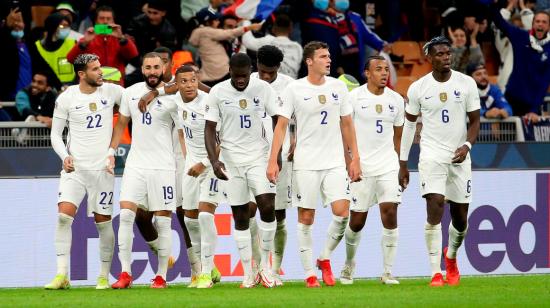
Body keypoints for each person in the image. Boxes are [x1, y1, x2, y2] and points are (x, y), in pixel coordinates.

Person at [266, 41, 362, 288]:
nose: (328, 60)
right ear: (309, 61)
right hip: (306, 163)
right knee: (306, 217)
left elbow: (348, 124)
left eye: (329, 56)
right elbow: (281, 125)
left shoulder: (338, 87)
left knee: (342, 214)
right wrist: (272, 159)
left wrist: (355, 158)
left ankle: (325, 257)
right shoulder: (294, 89)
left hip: (334, 162)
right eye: (322, 56)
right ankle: (310, 273)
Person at [398, 36, 480, 287]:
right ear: (429, 58)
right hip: (431, 154)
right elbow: (410, 125)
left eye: (448, 53)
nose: (446, 58)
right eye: (440, 54)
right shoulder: (418, 88)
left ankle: (451, 257)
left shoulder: (466, 83)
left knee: (460, 218)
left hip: (459, 156)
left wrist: (467, 145)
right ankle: (435, 271)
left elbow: (475, 121)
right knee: (435, 205)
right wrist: (403, 162)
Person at [46, 53, 124, 290]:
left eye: (100, 67)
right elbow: (55, 135)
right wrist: (65, 156)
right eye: (95, 69)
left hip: (103, 170)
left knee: (103, 224)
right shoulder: (67, 98)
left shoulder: (111, 92)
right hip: (76, 169)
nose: (101, 72)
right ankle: (62, 275)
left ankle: (103, 276)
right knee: (63, 217)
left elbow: (135, 101)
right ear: (81, 74)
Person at [204, 53, 278, 288]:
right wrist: (215, 161)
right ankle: (249, 272)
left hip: (259, 157)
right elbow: (209, 128)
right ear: (230, 72)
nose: (240, 81)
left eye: (244, 76)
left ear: (251, 70)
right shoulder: (218, 92)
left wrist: (275, 155)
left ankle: (266, 268)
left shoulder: (263, 88)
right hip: (231, 161)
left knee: (267, 206)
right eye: (236, 77)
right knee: (241, 216)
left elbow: (278, 119)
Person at [108, 52, 180, 289]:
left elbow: (181, 133)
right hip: (136, 164)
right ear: (142, 68)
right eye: (147, 67)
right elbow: (120, 124)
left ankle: (161, 276)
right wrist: (111, 152)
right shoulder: (130, 92)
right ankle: (125, 273)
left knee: (163, 222)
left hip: (163, 166)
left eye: (156, 67)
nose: (151, 71)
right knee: (127, 215)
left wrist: (187, 161)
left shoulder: (174, 95)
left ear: (164, 67)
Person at [341, 55, 404, 285]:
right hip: (362, 166)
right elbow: (345, 131)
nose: (384, 73)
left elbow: (398, 137)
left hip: (388, 165)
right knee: (357, 221)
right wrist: (349, 160)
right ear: (367, 73)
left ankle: (387, 271)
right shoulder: (353, 98)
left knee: (390, 213)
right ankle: (349, 264)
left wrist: (401, 165)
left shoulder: (397, 100)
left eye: (386, 69)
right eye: (378, 69)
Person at [169, 65, 222, 288]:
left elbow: (224, 139)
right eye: (184, 81)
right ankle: (200, 269)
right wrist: (188, 158)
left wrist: (204, 162)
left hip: (212, 165)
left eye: (193, 80)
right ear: (177, 84)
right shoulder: (177, 102)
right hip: (191, 165)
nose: (189, 85)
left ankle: (207, 274)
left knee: (205, 216)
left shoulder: (210, 102)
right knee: (189, 218)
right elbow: (182, 132)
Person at [248, 45, 295, 286]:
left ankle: (275, 269)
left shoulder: (289, 85)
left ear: (278, 68)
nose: (265, 76)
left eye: (270, 72)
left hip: (280, 156)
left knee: (278, 213)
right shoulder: (244, 80)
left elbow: (296, 119)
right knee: (248, 211)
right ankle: (257, 266)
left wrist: (294, 142)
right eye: (262, 71)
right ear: (256, 64)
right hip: (250, 155)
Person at [490, 0, 550, 120]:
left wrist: (534, 110)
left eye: (544, 22)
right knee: (507, 137)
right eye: (537, 21)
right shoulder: (521, 36)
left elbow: (545, 82)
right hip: (512, 98)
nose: (540, 24)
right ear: (532, 24)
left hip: (533, 104)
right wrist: (494, 4)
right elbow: (500, 22)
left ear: (549, 26)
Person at [67, 5, 139, 86]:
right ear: (96, 21)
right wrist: (84, 43)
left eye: (108, 19)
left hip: (115, 84)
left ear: (113, 21)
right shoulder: (87, 39)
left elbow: (133, 56)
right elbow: (70, 59)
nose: (105, 21)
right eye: (101, 18)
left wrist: (122, 39)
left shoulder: (120, 39)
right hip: (92, 85)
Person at [189, 7, 262, 86]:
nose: (218, 21)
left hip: (214, 74)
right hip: (219, 74)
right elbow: (230, 33)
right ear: (208, 21)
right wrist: (248, 28)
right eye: (216, 20)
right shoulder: (206, 32)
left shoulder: (201, 34)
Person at [242, 14, 303, 79]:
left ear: (273, 29)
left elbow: (247, 41)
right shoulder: (298, 48)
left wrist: (246, 22)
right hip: (291, 85)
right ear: (291, 29)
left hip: (271, 84)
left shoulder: (268, 41)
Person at [30, 12, 77, 90]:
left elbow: (81, 68)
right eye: (62, 26)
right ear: (52, 26)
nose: (66, 29)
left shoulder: (73, 43)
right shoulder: (36, 47)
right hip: (46, 89)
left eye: (67, 26)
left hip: (70, 88)